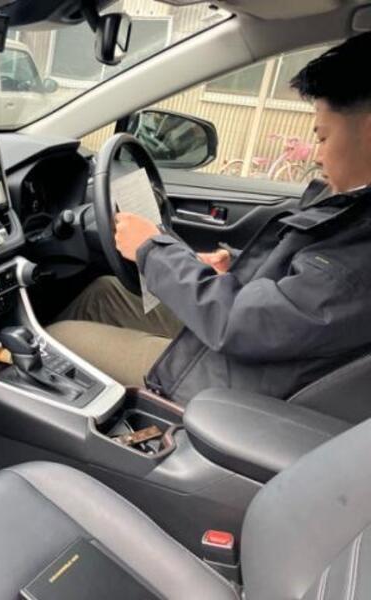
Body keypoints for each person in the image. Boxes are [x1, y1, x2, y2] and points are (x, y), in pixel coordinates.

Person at [47, 32, 371, 403]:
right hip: (256, 351)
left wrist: (150, 248)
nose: (316, 155)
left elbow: (247, 325)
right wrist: (235, 267)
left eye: (323, 138)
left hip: (233, 388)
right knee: (104, 294)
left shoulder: (361, 248)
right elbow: (299, 300)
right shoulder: (354, 211)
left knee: (57, 340)